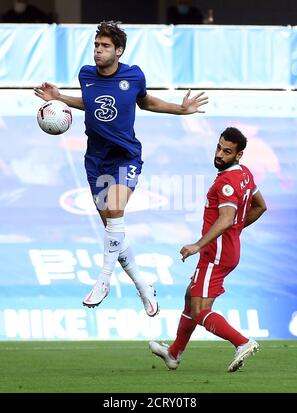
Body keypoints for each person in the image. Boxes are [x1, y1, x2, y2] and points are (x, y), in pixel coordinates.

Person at [34, 20, 209, 317]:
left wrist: (180, 109)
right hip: (95, 160)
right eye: (96, 46)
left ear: (119, 50)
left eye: (104, 46)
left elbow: (146, 102)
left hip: (125, 157)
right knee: (113, 230)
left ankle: (103, 280)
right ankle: (143, 285)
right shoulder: (86, 75)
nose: (98, 51)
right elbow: (90, 104)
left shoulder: (134, 75)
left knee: (115, 212)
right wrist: (60, 98)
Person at [149, 127, 267, 372]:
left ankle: (242, 342)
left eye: (227, 152)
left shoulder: (226, 182)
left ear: (239, 154)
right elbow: (260, 206)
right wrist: (236, 230)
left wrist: (197, 244)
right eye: (219, 148)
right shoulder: (244, 174)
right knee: (190, 297)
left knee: (200, 309)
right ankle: (173, 353)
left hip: (216, 254)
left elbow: (226, 218)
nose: (220, 155)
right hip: (226, 250)